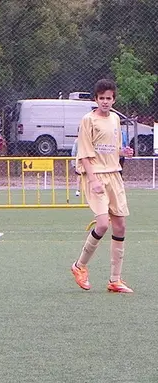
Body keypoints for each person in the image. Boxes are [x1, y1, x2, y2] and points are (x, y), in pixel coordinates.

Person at [70, 79, 134, 294]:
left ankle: (115, 280)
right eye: (102, 98)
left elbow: (112, 148)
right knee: (103, 224)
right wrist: (93, 179)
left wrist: (122, 152)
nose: (106, 102)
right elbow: (86, 152)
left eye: (109, 98)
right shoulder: (88, 120)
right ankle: (79, 266)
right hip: (95, 176)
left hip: (114, 174)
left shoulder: (115, 119)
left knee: (120, 226)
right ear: (95, 99)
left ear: (114, 99)